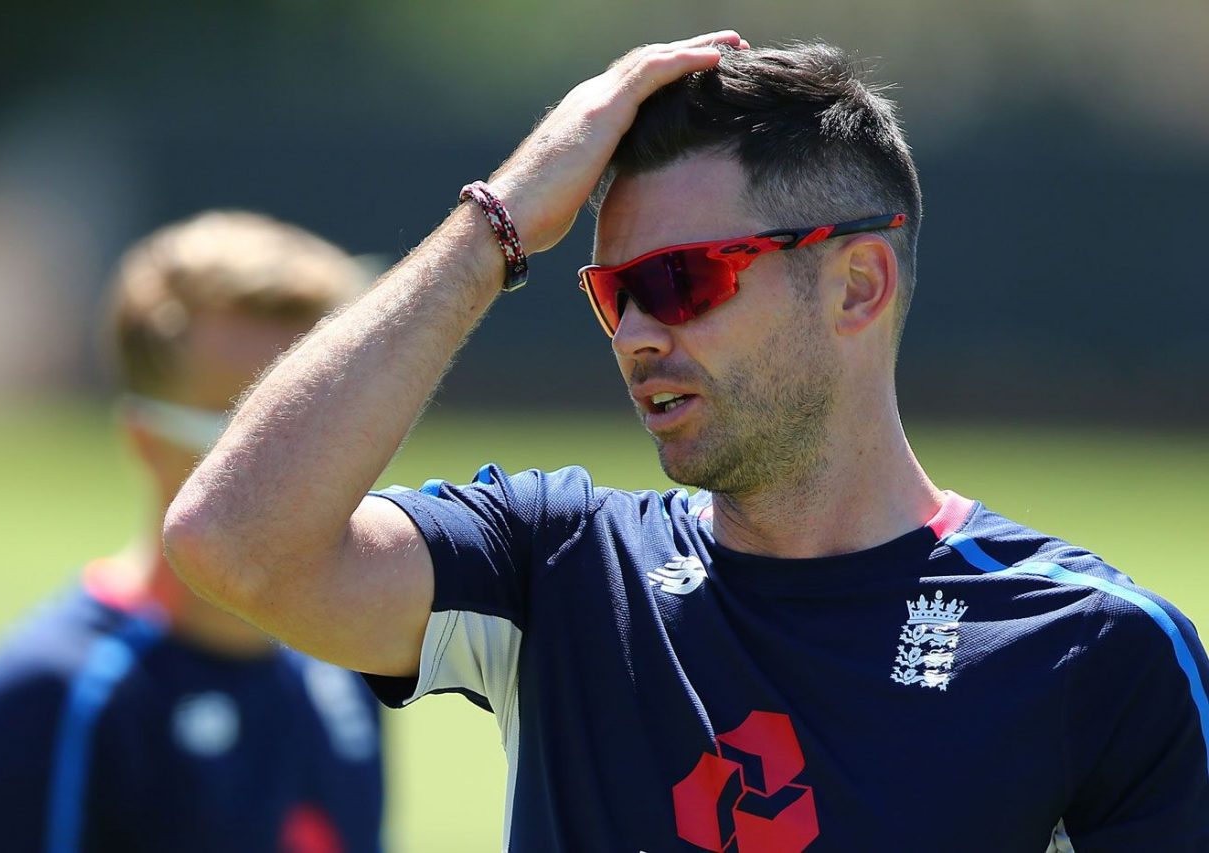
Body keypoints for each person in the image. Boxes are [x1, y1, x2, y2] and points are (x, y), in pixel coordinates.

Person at [162, 33, 1209, 852]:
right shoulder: (558, 564)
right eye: (611, 294)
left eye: (679, 281)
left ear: (854, 286)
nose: (635, 334)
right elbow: (235, 541)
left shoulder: (1094, 647)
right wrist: (501, 221)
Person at [0, 211, 386, 853]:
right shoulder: (54, 698)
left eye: (334, 418)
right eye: (255, 433)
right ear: (146, 441)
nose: (310, 469)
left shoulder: (344, 668)